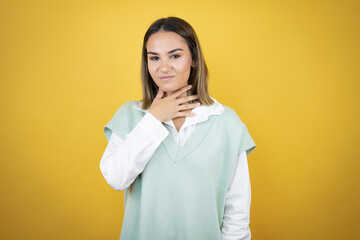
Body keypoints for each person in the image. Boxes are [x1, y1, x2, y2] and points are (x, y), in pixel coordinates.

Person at [100, 16, 256, 240]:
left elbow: (237, 211)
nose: (164, 67)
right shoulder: (130, 116)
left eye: (175, 55)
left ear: (193, 58)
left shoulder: (226, 122)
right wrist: (153, 119)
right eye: (154, 58)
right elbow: (116, 178)